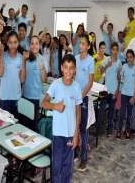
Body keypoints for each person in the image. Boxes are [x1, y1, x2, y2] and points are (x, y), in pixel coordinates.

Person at [42, 54, 82, 183]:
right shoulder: (55, 84)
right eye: (66, 67)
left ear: (75, 69)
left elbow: (78, 112)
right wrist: (55, 106)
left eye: (71, 68)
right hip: (58, 134)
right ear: (61, 67)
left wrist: (76, 134)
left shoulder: (77, 87)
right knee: (56, 165)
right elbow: (44, 102)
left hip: (70, 134)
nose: (68, 71)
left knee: (67, 167)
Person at [0, 31, 28, 119]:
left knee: (15, 127)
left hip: (16, 98)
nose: (13, 45)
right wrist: (2, 54)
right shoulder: (3, 56)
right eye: (10, 42)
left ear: (18, 43)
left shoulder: (21, 57)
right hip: (4, 98)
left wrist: (24, 61)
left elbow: (22, 80)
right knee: (4, 126)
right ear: (7, 43)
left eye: (15, 42)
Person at [75, 35, 94, 171]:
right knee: (74, 125)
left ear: (88, 46)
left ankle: (84, 157)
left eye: (83, 44)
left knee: (83, 128)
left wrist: (81, 96)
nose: (81, 45)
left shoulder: (90, 60)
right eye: (80, 43)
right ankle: (75, 153)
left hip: (84, 97)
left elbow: (90, 82)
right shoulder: (75, 58)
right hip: (75, 97)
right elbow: (74, 77)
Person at [23, 36, 48, 130]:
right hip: (25, 95)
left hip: (35, 97)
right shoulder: (26, 59)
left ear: (39, 45)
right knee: (24, 124)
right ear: (29, 45)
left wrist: (43, 69)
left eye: (36, 43)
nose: (34, 46)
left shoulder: (43, 59)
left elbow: (44, 80)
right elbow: (24, 78)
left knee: (32, 126)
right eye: (32, 44)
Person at [116, 49, 135, 140]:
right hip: (124, 94)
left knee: (129, 114)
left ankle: (127, 130)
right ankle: (119, 130)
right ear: (126, 58)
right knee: (122, 113)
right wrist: (119, 71)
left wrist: (134, 96)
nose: (129, 59)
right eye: (128, 57)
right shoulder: (124, 66)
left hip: (131, 95)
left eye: (131, 57)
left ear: (133, 58)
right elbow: (119, 78)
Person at [99, 42, 122, 136]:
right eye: (113, 49)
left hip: (113, 91)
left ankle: (110, 128)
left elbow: (119, 77)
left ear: (118, 51)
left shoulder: (119, 62)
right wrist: (107, 66)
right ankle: (99, 129)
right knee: (102, 109)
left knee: (112, 111)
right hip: (105, 90)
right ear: (110, 50)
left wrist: (117, 90)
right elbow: (101, 71)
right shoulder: (106, 59)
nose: (115, 51)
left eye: (116, 49)